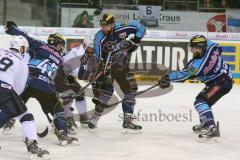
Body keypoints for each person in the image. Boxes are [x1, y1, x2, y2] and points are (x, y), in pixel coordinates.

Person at [4, 21, 78, 145]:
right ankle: (62, 133)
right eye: (61, 46)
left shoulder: (40, 46)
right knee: (57, 107)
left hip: (27, 81)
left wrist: (11, 29)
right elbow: (61, 81)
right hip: (46, 85)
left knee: (14, 104)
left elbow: (24, 36)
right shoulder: (61, 60)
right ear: (59, 46)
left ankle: (9, 119)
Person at [158, 35, 233, 139]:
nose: (192, 51)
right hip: (224, 77)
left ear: (201, 48)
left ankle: (211, 127)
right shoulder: (211, 46)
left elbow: (183, 75)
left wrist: (168, 77)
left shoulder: (197, 65)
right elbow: (219, 49)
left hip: (221, 83)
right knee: (204, 102)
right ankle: (206, 122)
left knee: (201, 102)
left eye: (194, 48)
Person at [88, 13, 146, 133]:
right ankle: (95, 117)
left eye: (107, 26)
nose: (104, 28)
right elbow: (97, 57)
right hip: (107, 67)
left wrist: (136, 39)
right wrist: (101, 65)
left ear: (113, 25)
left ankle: (128, 120)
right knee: (106, 93)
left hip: (121, 66)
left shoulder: (122, 28)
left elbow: (140, 27)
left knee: (131, 89)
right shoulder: (99, 37)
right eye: (102, 26)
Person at [0, 35, 49, 159]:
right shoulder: (22, 63)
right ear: (22, 49)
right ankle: (33, 147)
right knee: (26, 115)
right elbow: (19, 89)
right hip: (3, 90)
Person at [55, 37, 96, 133]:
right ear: (86, 46)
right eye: (91, 48)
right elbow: (79, 74)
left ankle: (83, 117)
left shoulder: (84, 51)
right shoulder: (77, 54)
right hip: (58, 74)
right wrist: (92, 75)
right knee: (68, 96)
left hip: (67, 73)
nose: (93, 50)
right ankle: (66, 119)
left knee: (80, 92)